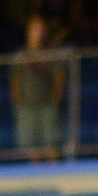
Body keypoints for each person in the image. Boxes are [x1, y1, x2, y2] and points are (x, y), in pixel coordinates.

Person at [11, 15, 65, 160]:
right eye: (35, 29)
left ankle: (55, 171)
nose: (39, 32)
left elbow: (59, 77)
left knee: (51, 146)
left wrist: (55, 100)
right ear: (28, 31)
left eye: (41, 29)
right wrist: (18, 102)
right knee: (31, 148)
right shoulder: (20, 55)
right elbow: (15, 81)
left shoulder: (50, 53)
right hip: (26, 106)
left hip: (47, 105)